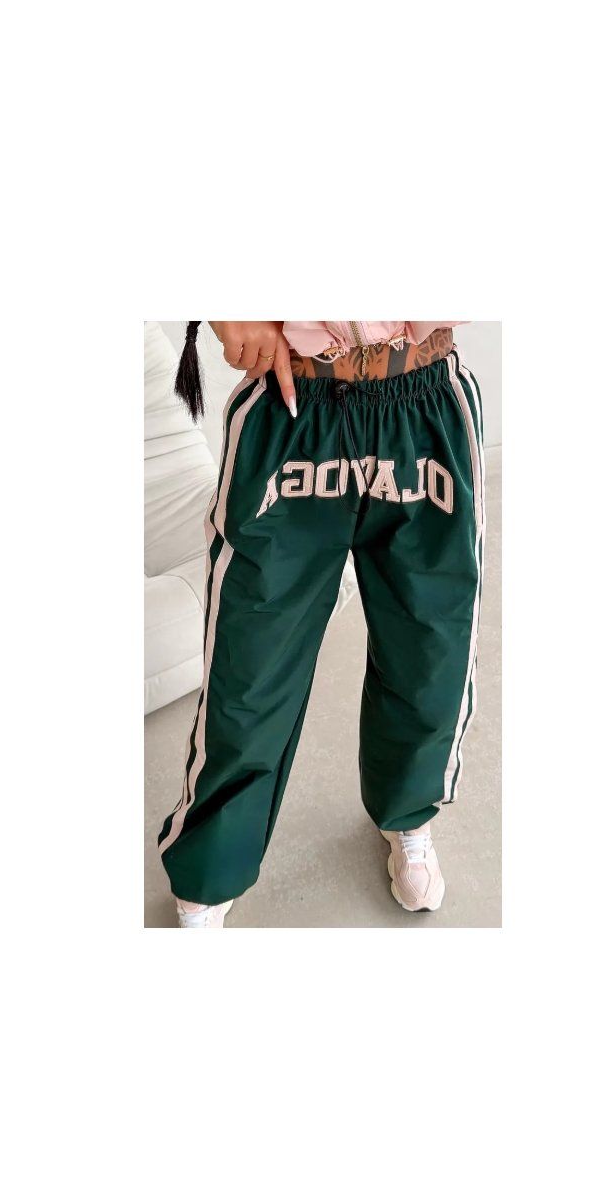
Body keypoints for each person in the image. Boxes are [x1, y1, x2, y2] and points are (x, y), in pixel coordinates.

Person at [159, 321, 484, 927]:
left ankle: (409, 814)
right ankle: (211, 868)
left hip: (422, 399)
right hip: (294, 408)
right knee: (250, 663)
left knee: (430, 647)